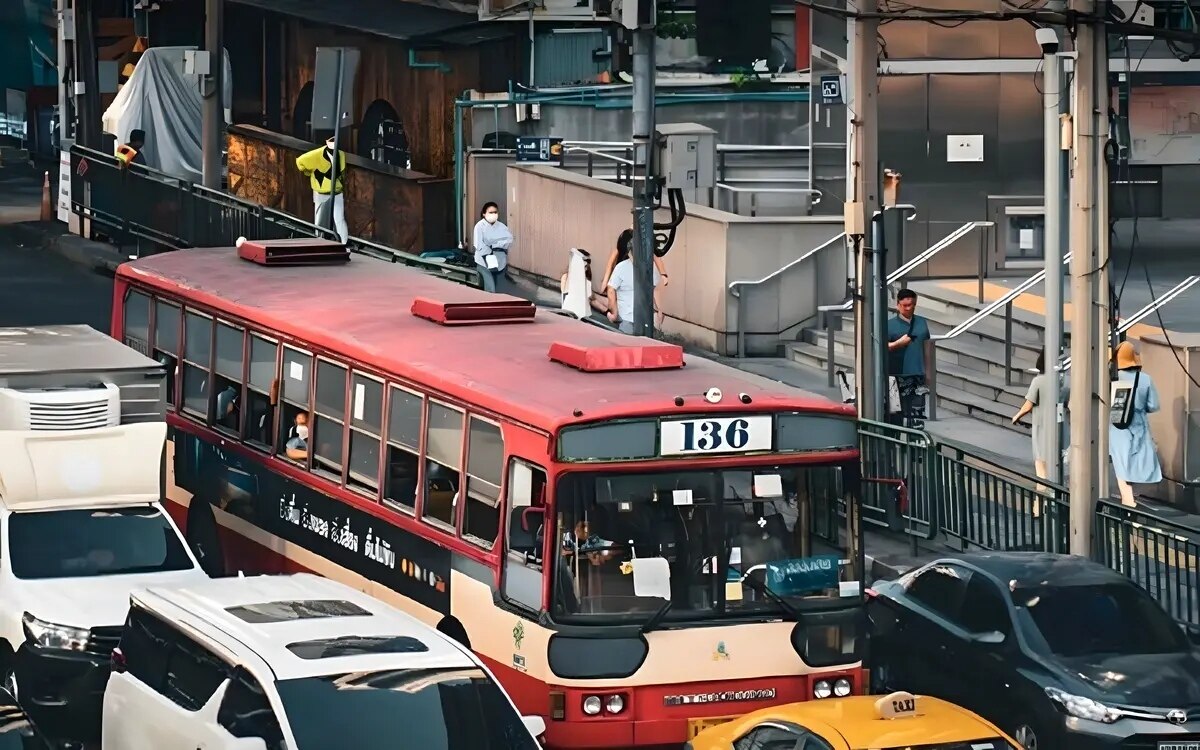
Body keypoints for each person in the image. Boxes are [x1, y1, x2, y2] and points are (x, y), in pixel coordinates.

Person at [1108, 341, 1162, 508]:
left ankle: (1128, 501)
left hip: (1118, 426)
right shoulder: (1145, 379)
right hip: (1139, 425)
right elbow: (1154, 405)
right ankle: (1130, 499)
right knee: (1137, 460)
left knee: (1121, 462)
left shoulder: (1112, 378)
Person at [1011, 351, 1066, 492]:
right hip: (1056, 425)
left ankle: (1041, 502)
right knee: (1053, 463)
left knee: (1040, 465)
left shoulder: (1038, 381)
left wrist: (1017, 416)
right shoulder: (1059, 381)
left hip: (1041, 426)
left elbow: (1028, 405)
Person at [600, 230, 668, 326]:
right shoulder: (650, 268)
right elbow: (655, 290)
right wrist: (660, 310)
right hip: (645, 320)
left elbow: (610, 289)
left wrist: (614, 314)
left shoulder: (621, 267)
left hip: (626, 319)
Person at [886, 289, 932, 428]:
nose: (907, 308)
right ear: (898, 305)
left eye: (910, 305)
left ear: (915, 304)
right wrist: (897, 344)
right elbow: (882, 347)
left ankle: (914, 446)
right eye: (904, 305)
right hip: (896, 376)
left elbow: (927, 348)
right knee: (895, 415)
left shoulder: (922, 323)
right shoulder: (889, 325)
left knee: (916, 416)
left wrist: (929, 374)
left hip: (917, 375)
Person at [295, 135, 349, 244]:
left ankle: (344, 243)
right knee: (319, 219)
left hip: (336, 191)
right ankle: (318, 242)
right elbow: (300, 161)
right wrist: (309, 172)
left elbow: (342, 172)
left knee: (339, 218)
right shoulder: (317, 154)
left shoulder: (341, 154)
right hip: (321, 191)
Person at [472, 201, 513, 293]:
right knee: (490, 286)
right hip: (484, 260)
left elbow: (509, 240)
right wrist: (489, 252)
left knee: (500, 286)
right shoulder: (479, 226)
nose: (493, 214)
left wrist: (496, 245)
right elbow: (478, 244)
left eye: (495, 212)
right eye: (490, 212)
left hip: (500, 259)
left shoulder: (502, 227)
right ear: (484, 214)